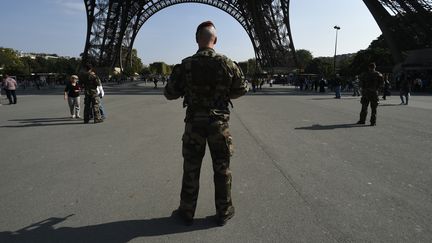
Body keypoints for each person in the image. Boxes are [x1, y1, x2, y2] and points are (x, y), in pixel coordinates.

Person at [164, 21, 248, 226]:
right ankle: (224, 211)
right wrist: (223, 93)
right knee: (222, 168)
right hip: (219, 124)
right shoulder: (227, 63)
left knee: (191, 168)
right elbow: (242, 89)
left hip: (194, 124)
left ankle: (186, 211)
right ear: (215, 40)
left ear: (196, 39)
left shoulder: (186, 64)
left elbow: (169, 93)